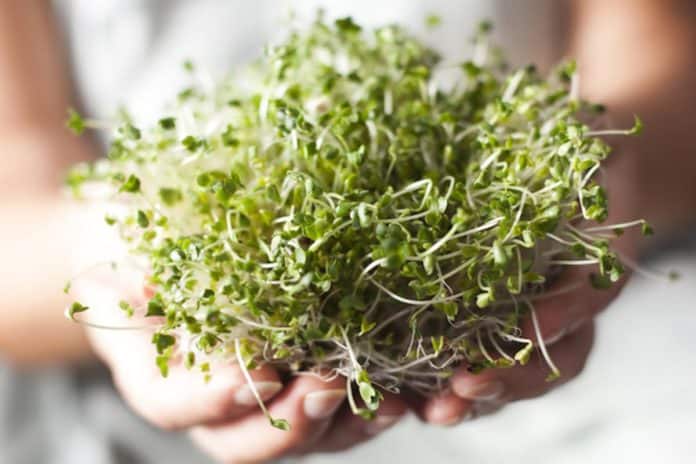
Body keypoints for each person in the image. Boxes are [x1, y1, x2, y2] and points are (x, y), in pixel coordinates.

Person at [1, 1, 695, 462]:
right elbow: (16, 208)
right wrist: (107, 247)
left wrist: (590, 170)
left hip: (604, 356)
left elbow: (668, 85)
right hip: (142, 424)